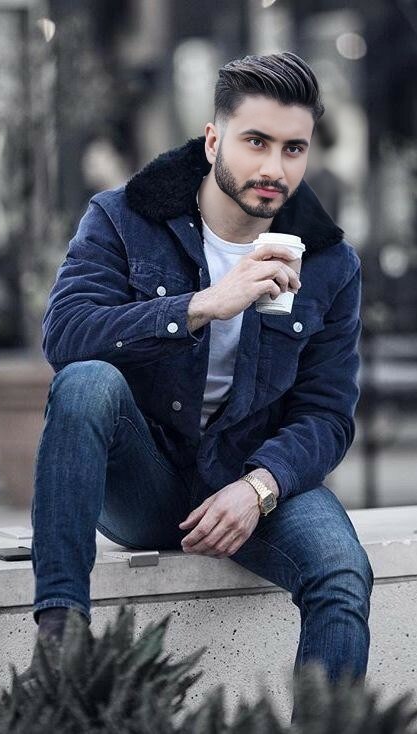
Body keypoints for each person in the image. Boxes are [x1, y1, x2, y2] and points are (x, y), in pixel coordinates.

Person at [30, 52, 373, 701]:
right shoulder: (124, 218)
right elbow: (65, 336)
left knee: (342, 573)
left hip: (250, 479)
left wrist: (260, 487)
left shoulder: (330, 264)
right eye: (256, 142)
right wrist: (202, 306)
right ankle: (61, 646)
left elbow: (327, 415)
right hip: (145, 482)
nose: (274, 169)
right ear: (213, 140)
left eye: (293, 148)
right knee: (86, 383)